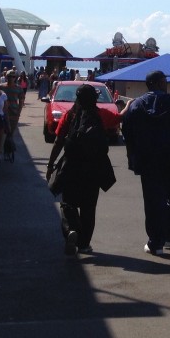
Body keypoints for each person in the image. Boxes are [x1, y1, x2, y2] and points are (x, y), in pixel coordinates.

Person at [121, 70, 170, 255]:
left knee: (153, 200)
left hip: (147, 160)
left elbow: (127, 132)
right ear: (158, 83)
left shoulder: (136, 104)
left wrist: (134, 154)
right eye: (164, 81)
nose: (166, 83)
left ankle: (156, 242)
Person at [46, 84, 113, 256]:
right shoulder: (101, 115)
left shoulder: (70, 115)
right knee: (89, 207)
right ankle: (84, 244)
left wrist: (51, 164)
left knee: (67, 202)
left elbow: (59, 141)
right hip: (94, 168)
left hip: (71, 166)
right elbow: (118, 118)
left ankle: (71, 230)